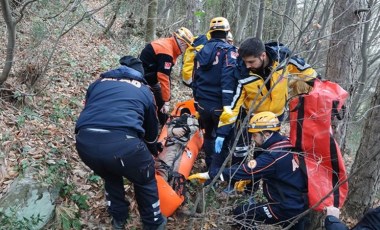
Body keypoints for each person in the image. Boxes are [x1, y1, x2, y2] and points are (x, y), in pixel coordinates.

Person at [74, 56, 166, 230]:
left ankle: (118, 218)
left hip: (85, 143)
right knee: (145, 180)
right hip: (123, 145)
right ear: (140, 74)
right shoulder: (145, 90)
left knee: (110, 174)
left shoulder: (97, 84)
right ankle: (153, 222)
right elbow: (151, 130)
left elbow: (89, 108)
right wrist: (153, 149)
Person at [189, 111, 308, 229]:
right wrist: (249, 178)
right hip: (300, 203)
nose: (252, 138)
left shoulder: (272, 156)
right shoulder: (286, 143)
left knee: (241, 214)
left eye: (255, 135)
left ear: (266, 134)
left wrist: (211, 174)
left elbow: (245, 170)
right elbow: (273, 171)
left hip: (285, 208)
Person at [215, 37, 319, 157]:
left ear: (263, 55)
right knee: (240, 150)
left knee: (267, 150)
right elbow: (233, 107)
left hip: (276, 115)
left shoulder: (283, 58)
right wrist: (221, 132)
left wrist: (322, 86)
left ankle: (261, 173)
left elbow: (306, 71)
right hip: (252, 116)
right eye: (245, 62)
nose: (247, 65)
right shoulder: (242, 74)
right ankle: (238, 173)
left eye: (251, 62)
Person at [191, 17, 239, 169]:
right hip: (221, 105)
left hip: (203, 104)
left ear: (210, 33)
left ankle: (210, 164)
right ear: (227, 32)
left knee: (209, 136)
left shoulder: (200, 51)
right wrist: (227, 105)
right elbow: (228, 79)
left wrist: (197, 100)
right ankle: (217, 171)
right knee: (224, 137)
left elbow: (194, 77)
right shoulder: (229, 51)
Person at [139, 27, 194, 126]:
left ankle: (164, 122)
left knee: (160, 98)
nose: (185, 50)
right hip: (143, 78)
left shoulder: (169, 44)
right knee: (155, 102)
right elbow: (164, 78)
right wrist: (167, 102)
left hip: (149, 75)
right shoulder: (166, 51)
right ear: (182, 43)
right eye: (186, 46)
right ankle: (155, 125)